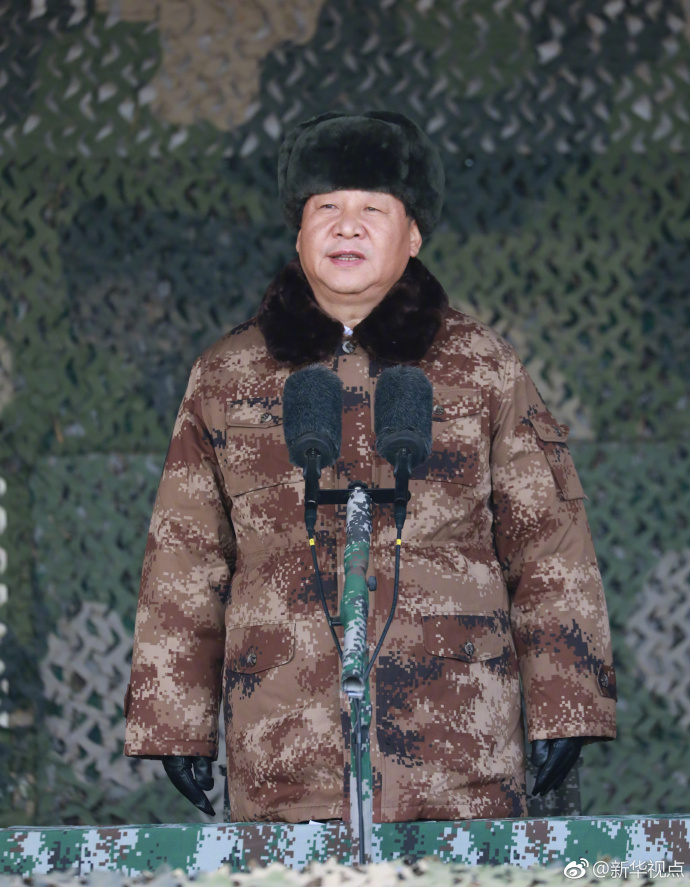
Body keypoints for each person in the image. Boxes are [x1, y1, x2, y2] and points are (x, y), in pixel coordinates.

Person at [124, 111, 616, 823]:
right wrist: (174, 718)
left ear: (412, 234)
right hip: (288, 759)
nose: (347, 227)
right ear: (298, 233)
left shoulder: (482, 367)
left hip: (458, 756)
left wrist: (567, 701)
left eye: (372, 209)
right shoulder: (226, 375)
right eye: (326, 208)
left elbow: (549, 543)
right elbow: (185, 555)